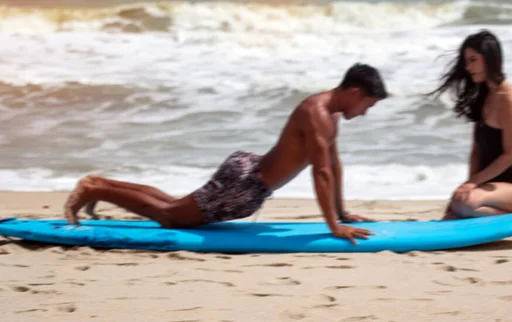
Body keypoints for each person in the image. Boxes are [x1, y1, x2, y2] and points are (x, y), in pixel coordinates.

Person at [64, 63, 389, 244]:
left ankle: (99, 184)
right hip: (247, 184)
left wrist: (343, 213)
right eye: (367, 105)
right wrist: (334, 227)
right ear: (354, 92)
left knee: (174, 207)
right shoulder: (317, 113)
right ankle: (94, 188)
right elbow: (322, 173)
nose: (364, 112)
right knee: (170, 217)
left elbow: (334, 164)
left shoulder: (329, 114)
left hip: (250, 174)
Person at [426, 30, 512, 220]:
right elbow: (476, 149)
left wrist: (472, 184)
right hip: (488, 187)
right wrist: (467, 185)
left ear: (490, 59)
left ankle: (507, 217)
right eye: (466, 61)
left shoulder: (509, 98)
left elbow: (511, 154)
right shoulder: (483, 95)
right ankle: (471, 212)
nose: (468, 67)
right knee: (460, 202)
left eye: (473, 60)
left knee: (465, 204)